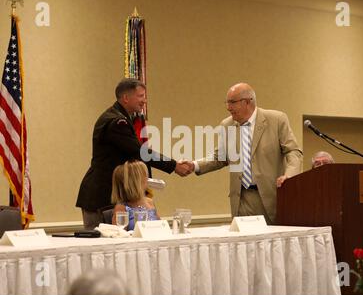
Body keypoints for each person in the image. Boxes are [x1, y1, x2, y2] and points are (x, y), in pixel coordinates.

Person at [76, 78, 191, 229]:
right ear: (126, 98)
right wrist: (174, 165)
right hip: (102, 195)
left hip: (111, 193)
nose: (144, 100)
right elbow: (140, 152)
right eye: (141, 96)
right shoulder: (117, 122)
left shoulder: (122, 117)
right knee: (101, 247)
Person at [184, 82, 303, 224]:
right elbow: (220, 157)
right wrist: (194, 165)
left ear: (247, 102)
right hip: (241, 199)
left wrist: (289, 176)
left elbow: (293, 151)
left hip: (271, 197)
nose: (228, 108)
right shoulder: (226, 125)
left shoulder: (276, 120)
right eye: (227, 102)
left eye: (232, 102)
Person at [111, 160, 159, 230]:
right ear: (135, 183)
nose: (147, 179)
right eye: (145, 176)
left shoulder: (149, 202)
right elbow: (119, 235)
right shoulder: (121, 208)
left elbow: (161, 226)